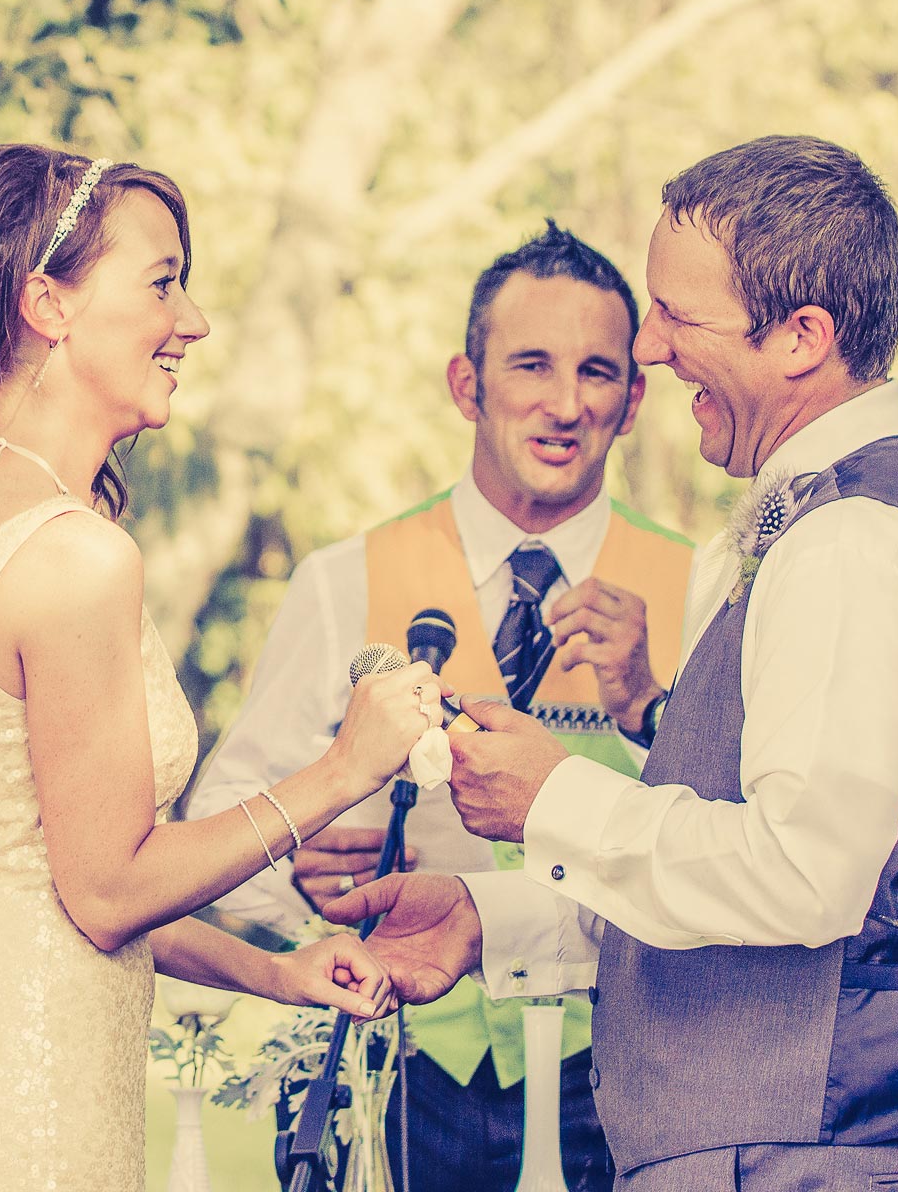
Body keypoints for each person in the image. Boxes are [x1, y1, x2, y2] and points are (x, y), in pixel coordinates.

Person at [328, 135, 898, 1191]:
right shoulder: (828, 527)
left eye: (676, 317)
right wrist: (490, 917)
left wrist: (554, 799)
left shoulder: (853, 544)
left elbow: (801, 878)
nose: (646, 349)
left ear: (801, 337)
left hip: (809, 1158)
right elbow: (739, 883)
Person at [0, 143, 444, 1192]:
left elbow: (60, 878)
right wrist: (342, 772)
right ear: (47, 302)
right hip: (29, 1122)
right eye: (163, 281)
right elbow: (106, 890)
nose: (194, 322)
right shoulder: (71, 555)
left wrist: (277, 972)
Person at [187, 221, 693, 1192]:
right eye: (530, 365)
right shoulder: (343, 581)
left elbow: (724, 843)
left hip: (623, 1080)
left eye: (597, 372)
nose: (562, 404)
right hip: (392, 1065)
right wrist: (296, 870)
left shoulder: (698, 588)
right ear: (468, 384)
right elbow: (219, 824)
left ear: (633, 401)